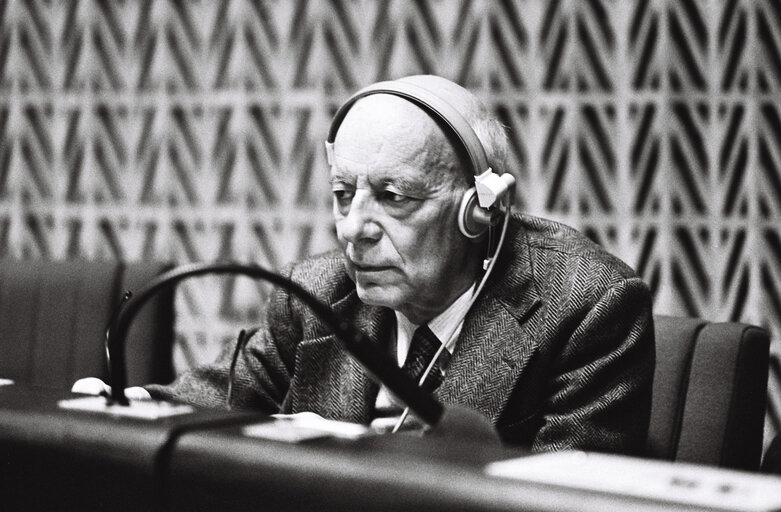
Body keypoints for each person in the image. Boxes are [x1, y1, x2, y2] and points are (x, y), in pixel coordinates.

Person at [77, 75, 655, 455]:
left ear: (480, 210)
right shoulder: (316, 293)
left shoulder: (587, 305)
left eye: (394, 196)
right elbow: (213, 401)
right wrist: (127, 407)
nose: (353, 228)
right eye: (342, 193)